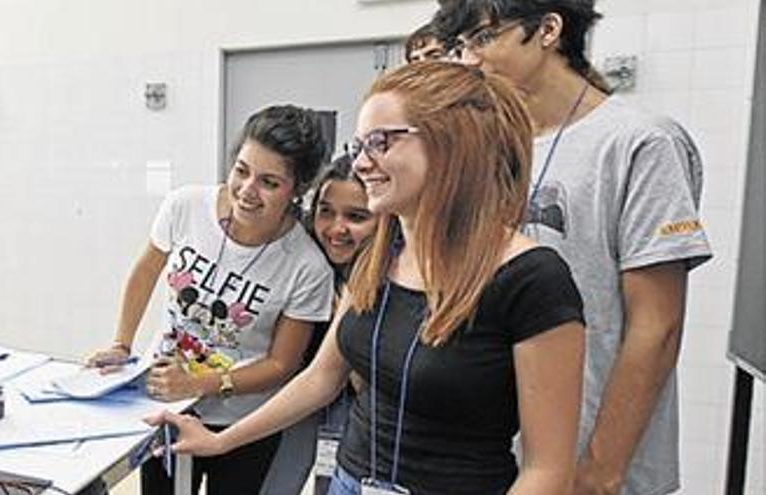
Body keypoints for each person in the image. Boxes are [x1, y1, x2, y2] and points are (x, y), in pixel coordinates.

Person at [148, 60, 586, 495]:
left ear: (453, 145)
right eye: (359, 146)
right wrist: (220, 441)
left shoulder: (531, 279)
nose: (361, 163)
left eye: (380, 142)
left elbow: (547, 470)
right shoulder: (382, 255)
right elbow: (322, 378)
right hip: (350, 482)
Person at [432, 1, 713, 494]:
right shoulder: (489, 146)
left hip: (595, 466)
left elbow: (658, 325)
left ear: (548, 30)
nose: (469, 61)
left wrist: (600, 471)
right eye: (460, 47)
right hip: (494, 458)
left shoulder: (641, 143)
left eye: (481, 39)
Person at [87, 104, 335, 494]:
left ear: (298, 189)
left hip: (242, 424)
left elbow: (281, 365)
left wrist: (200, 383)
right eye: (241, 170)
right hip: (166, 402)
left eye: (269, 182)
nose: (247, 191)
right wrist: (122, 343)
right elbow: (146, 271)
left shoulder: (306, 266)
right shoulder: (185, 206)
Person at [260, 154, 378, 495]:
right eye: (326, 211)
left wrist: (347, 326)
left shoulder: (394, 282)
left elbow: (373, 391)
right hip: (294, 407)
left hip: (357, 419)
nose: (336, 228)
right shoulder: (302, 263)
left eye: (356, 217)